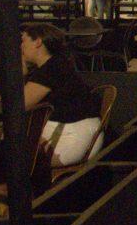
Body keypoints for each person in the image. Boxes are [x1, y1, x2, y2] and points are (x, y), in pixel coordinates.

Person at [16, 23, 102, 166]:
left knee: (3, 151)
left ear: (38, 42)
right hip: (82, 134)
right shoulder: (57, 64)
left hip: (71, 140)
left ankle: (6, 187)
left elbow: (18, 105)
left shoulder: (51, 70)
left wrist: (19, 66)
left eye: (23, 41)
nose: (20, 47)